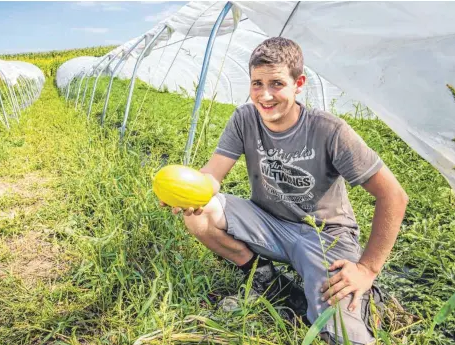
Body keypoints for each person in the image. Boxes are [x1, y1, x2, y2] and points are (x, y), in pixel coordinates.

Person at [159, 37, 409, 344]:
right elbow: (213, 175)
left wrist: (368, 268)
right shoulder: (244, 119)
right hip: (269, 222)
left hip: (324, 236)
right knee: (200, 217)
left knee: (343, 332)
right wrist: (189, 195)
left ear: (298, 83)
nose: (264, 95)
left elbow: (394, 195)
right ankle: (264, 277)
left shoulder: (330, 131)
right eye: (256, 84)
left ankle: (367, 296)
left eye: (276, 83)